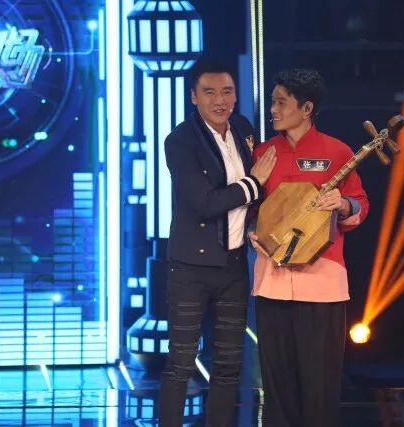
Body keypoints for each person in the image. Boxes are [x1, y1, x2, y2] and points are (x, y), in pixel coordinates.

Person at [159, 59, 276, 427]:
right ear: (194, 97)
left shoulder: (243, 129)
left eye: (227, 91)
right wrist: (253, 184)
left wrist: (257, 221)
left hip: (233, 266)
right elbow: (205, 202)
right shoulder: (180, 141)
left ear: (236, 95)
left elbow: (253, 199)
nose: (219, 100)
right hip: (191, 268)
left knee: (228, 364)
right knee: (181, 362)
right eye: (209, 92)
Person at [250, 68, 369, 427]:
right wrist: (252, 231)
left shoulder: (338, 151)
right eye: (272, 102)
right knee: (277, 386)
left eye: (281, 103)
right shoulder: (263, 152)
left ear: (307, 108)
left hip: (322, 284)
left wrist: (343, 204)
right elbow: (251, 209)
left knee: (320, 386)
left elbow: (360, 203)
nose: (273, 110)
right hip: (272, 281)